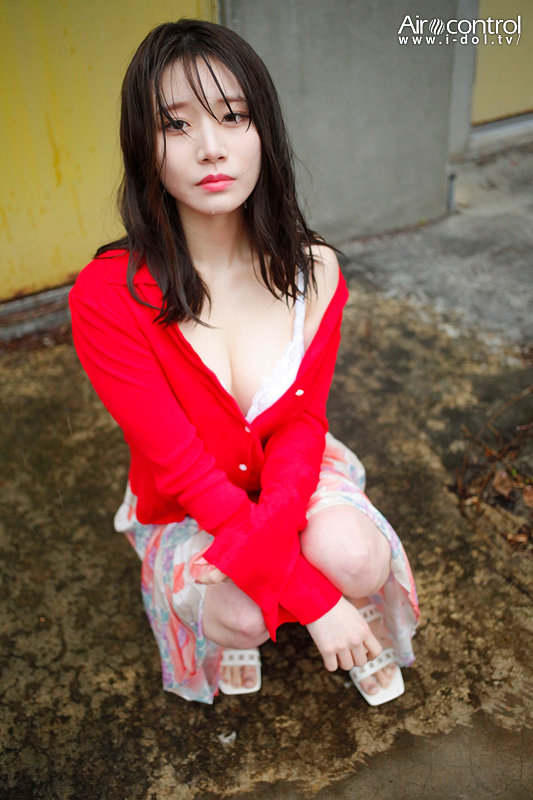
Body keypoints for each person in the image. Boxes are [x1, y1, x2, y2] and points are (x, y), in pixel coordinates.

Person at [69, 18, 418, 705]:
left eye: (233, 116)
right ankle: (253, 625)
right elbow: (184, 472)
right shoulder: (107, 297)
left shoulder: (312, 270)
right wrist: (316, 603)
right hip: (187, 501)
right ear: (143, 146)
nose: (210, 148)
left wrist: (287, 545)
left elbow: (301, 423)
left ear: (264, 131)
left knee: (355, 558)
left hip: (289, 472)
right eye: (175, 125)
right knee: (241, 616)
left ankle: (356, 612)